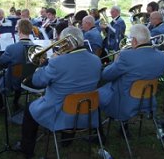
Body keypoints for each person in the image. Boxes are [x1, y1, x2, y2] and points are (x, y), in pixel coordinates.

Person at [14, 27, 102, 158]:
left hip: (59, 113)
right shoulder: (96, 60)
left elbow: (38, 82)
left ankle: (26, 148)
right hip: (86, 111)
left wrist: (45, 64)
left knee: (29, 109)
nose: (60, 44)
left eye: (61, 41)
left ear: (67, 42)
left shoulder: (57, 62)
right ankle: (67, 140)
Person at [98, 24, 164, 123]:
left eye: (130, 39)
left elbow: (106, 75)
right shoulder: (162, 56)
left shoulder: (126, 56)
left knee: (95, 94)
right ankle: (124, 128)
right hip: (148, 100)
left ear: (134, 40)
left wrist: (116, 61)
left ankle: (98, 133)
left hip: (124, 103)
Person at [0, 19, 34, 113]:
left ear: (19, 31)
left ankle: (0, 105)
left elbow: (2, 62)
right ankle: (15, 102)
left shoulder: (11, 48)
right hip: (29, 80)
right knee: (19, 71)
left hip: (13, 82)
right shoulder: (36, 47)